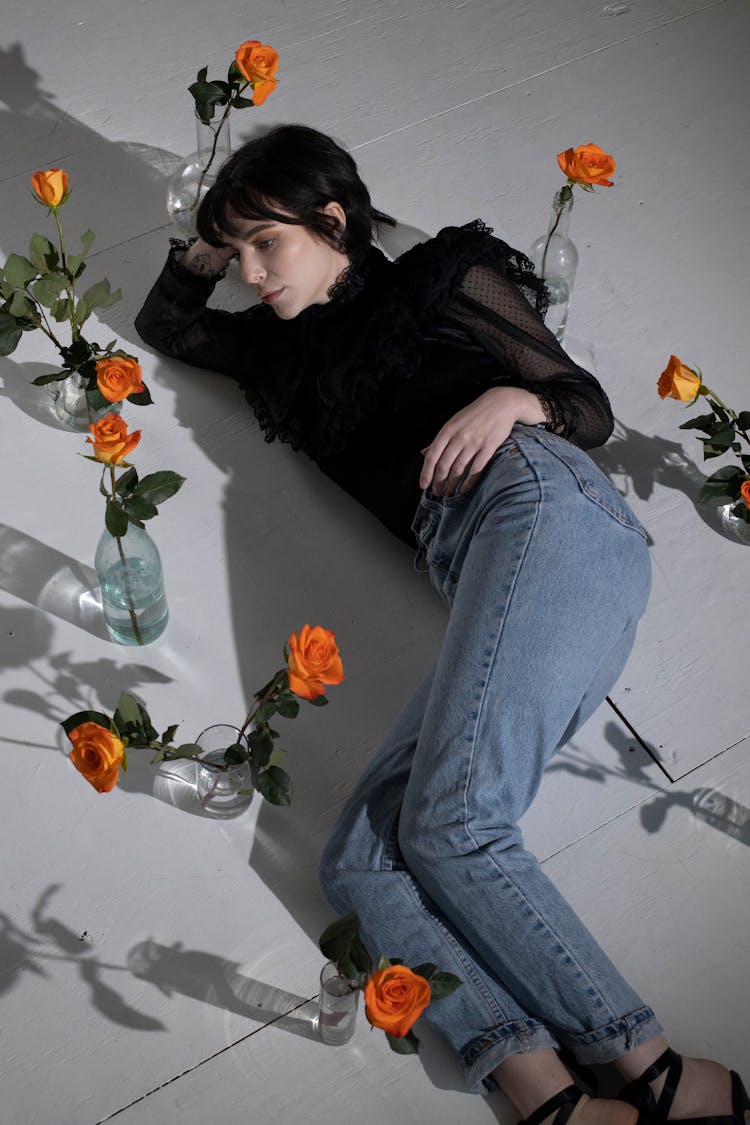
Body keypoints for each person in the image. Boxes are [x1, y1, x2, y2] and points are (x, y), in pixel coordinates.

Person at [135, 124, 748, 1125]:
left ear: (334, 221)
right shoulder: (276, 355)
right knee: (358, 861)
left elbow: (584, 407)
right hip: (480, 563)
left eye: (268, 245)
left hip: (538, 505)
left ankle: (667, 1076)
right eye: (238, 254)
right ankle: (546, 1092)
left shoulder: (440, 277)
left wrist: (515, 397)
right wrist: (214, 228)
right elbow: (168, 324)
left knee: (455, 824)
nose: (250, 272)